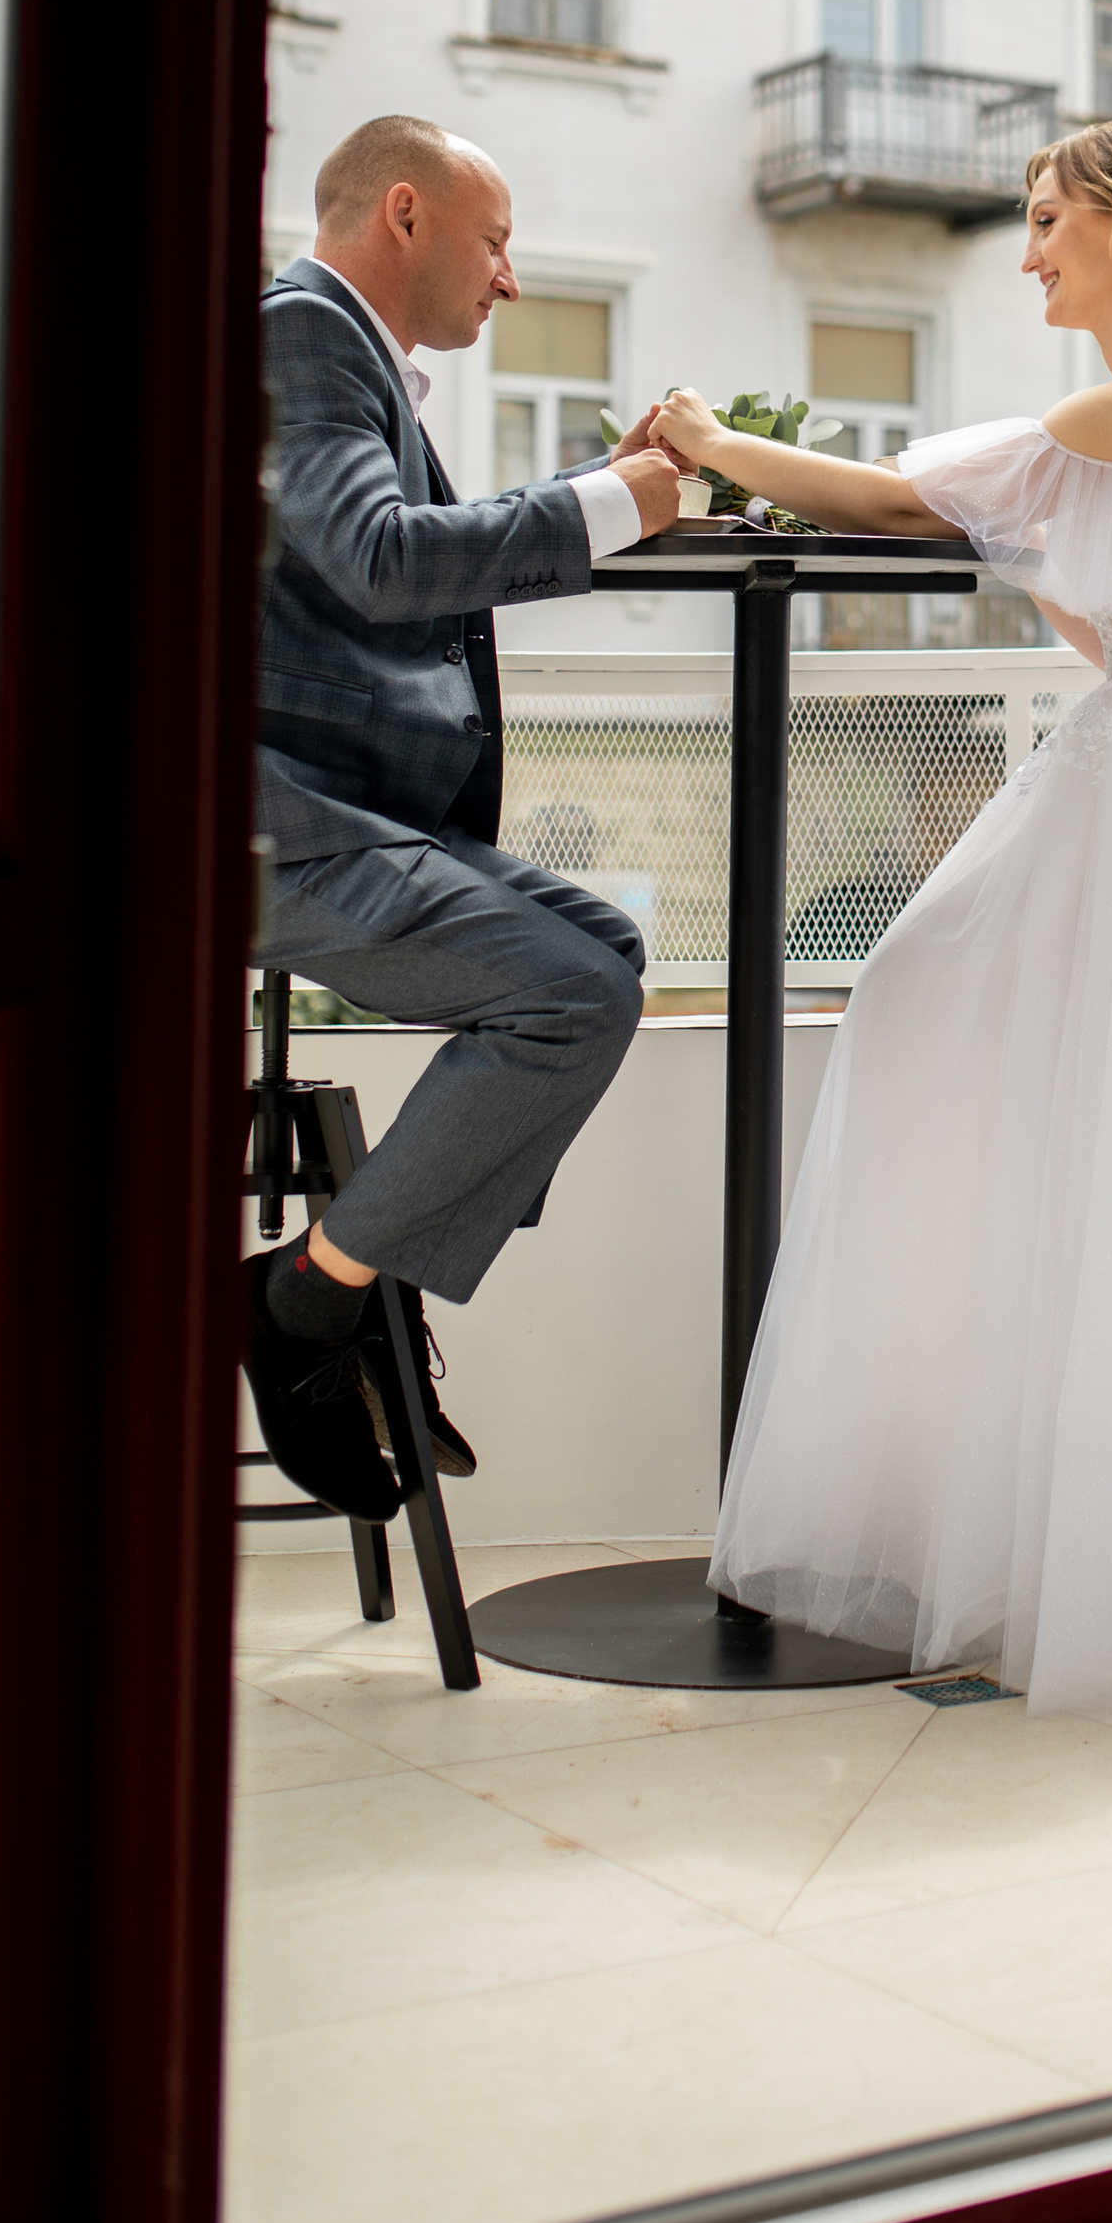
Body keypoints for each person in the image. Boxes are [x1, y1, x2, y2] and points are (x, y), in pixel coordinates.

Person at [650, 121, 1112, 1737]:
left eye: (1050, 220)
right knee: (1108, 1096)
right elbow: (1066, 580)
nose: (1034, 248)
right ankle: (1089, 1511)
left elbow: (898, 498)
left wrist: (706, 438)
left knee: (1002, 1039)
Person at [246, 112, 682, 1522]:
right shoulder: (302, 332)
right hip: (269, 825)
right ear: (407, 215)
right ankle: (309, 1308)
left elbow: (368, 554)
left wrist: (598, 503)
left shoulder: (344, 350)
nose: (508, 280)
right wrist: (604, 506)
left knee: (603, 955)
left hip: (341, 812)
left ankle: (355, 1283)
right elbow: (377, 563)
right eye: (497, 244)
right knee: (566, 995)